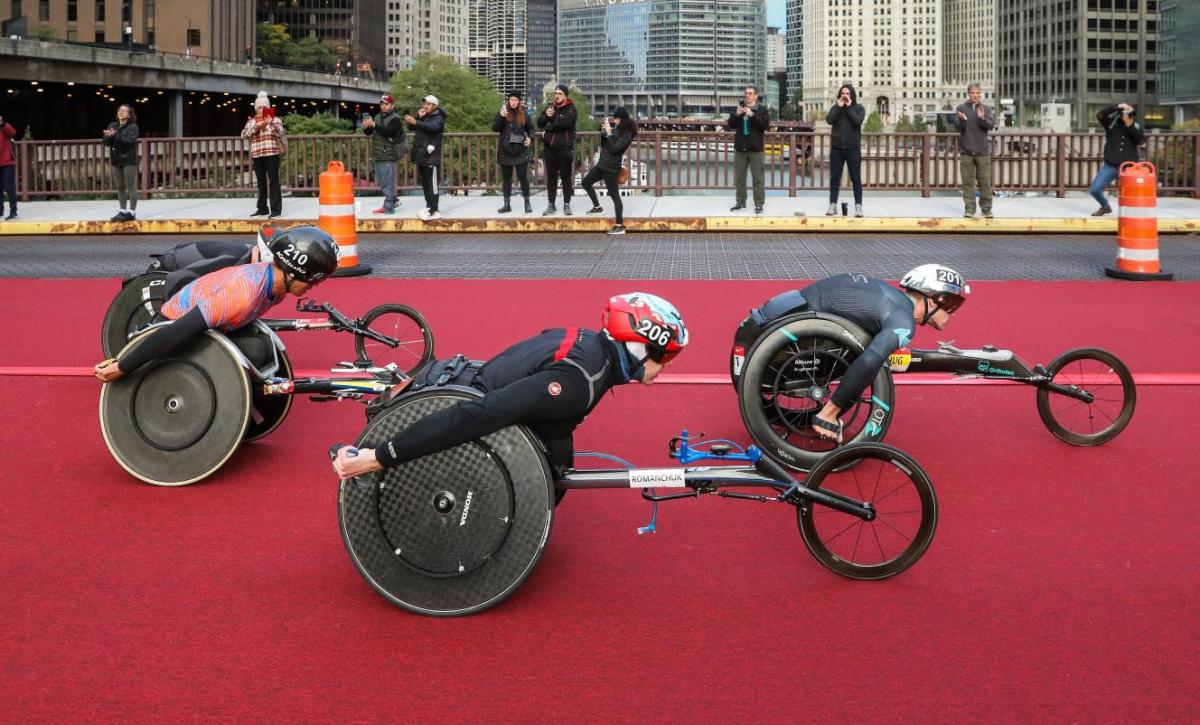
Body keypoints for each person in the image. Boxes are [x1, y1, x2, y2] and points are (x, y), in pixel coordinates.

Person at [331, 292, 689, 480]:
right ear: (639, 346)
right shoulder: (581, 381)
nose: (664, 368)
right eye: (665, 357)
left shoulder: (586, 341)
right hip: (457, 406)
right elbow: (479, 414)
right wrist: (378, 457)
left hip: (465, 377)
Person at [744, 265, 969, 443]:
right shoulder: (903, 319)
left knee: (870, 348)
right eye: (951, 305)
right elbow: (871, 360)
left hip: (767, 325)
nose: (952, 313)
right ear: (935, 298)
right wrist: (830, 412)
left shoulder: (888, 296)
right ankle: (825, 414)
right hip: (789, 351)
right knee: (873, 357)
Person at [94, 226, 338, 383]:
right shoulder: (240, 295)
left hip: (213, 327)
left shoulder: (277, 288)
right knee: (252, 351)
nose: (313, 287)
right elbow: (177, 331)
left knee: (259, 350)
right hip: (172, 327)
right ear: (294, 271)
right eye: (312, 281)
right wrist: (123, 366)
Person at [582, 107, 636, 235]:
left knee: (615, 196)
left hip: (611, 168)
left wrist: (610, 133)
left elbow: (615, 149)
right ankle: (597, 207)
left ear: (621, 119)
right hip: (602, 164)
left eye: (616, 118)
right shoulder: (618, 130)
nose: (614, 120)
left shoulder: (627, 134)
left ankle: (619, 224)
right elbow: (606, 145)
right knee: (585, 182)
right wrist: (604, 134)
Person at [1089, 102, 1146, 217]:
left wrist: (1129, 125)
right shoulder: (1111, 123)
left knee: (1132, 193)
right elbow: (1100, 115)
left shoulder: (1137, 126)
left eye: (1129, 113)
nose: (1127, 114)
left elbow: (1140, 140)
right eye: (1125, 112)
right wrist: (1117, 106)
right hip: (1110, 165)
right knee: (1095, 189)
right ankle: (1105, 207)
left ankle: (1132, 214)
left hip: (1128, 168)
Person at [241, 91, 287, 219]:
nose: (262, 110)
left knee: (274, 181)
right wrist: (257, 126)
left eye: (264, 107)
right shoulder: (252, 122)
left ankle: (276, 210)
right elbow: (244, 135)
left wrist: (270, 123)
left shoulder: (275, 120)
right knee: (261, 182)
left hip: (272, 153)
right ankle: (262, 208)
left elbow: (280, 133)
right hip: (257, 154)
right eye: (259, 107)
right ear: (256, 109)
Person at [954, 83, 996, 219]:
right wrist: (963, 121)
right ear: (969, 94)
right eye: (973, 93)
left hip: (982, 151)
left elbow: (990, 125)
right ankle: (970, 209)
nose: (975, 95)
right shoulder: (961, 108)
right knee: (967, 182)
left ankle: (986, 209)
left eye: (978, 93)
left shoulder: (986, 108)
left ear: (980, 94)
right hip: (966, 150)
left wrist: (982, 118)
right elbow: (957, 128)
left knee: (984, 181)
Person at [727, 85, 770, 214]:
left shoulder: (762, 110)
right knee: (740, 178)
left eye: (750, 93)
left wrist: (752, 115)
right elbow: (730, 125)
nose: (747, 95)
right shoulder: (739, 108)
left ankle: (759, 204)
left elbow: (764, 126)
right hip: (740, 148)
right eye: (746, 93)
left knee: (758, 178)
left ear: (756, 95)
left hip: (755, 149)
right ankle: (740, 202)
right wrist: (736, 114)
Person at [537, 83, 578, 216]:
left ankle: (567, 204)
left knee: (566, 177)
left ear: (565, 96)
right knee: (552, 177)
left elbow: (564, 124)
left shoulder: (571, 109)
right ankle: (551, 204)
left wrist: (547, 129)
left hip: (565, 148)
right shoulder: (551, 107)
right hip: (550, 148)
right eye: (555, 93)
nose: (557, 96)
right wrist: (546, 116)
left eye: (560, 94)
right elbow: (539, 123)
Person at [825, 84, 865, 217]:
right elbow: (829, 120)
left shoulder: (859, 108)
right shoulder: (836, 108)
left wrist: (848, 108)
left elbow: (857, 121)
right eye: (843, 93)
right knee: (835, 177)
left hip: (853, 149)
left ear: (852, 95)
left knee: (856, 178)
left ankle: (858, 206)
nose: (845, 95)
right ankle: (833, 204)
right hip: (837, 149)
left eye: (847, 93)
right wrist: (838, 107)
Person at [362, 94, 407, 215]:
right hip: (378, 153)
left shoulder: (396, 119)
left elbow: (389, 132)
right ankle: (393, 199)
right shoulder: (377, 117)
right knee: (381, 182)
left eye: (386, 104)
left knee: (387, 182)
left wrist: (374, 125)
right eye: (382, 103)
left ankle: (388, 207)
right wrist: (367, 127)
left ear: (392, 105)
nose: (383, 106)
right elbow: (370, 133)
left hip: (389, 153)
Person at [405, 95, 447, 221]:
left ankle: (434, 209)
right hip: (421, 155)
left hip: (432, 156)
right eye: (424, 104)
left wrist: (417, 121)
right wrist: (417, 118)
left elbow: (433, 128)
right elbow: (411, 128)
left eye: (428, 104)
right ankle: (429, 206)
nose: (425, 106)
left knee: (432, 184)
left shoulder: (439, 117)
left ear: (435, 106)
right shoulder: (425, 116)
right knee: (425, 183)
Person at [492, 91, 535, 214]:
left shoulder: (525, 114)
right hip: (505, 151)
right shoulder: (503, 112)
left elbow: (531, 129)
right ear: (508, 101)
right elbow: (495, 128)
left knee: (523, 177)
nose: (513, 102)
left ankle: (527, 202)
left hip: (520, 150)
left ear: (519, 101)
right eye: (511, 100)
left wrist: (530, 138)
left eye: (516, 100)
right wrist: (500, 116)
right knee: (506, 179)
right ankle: (507, 204)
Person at [102, 104, 140, 222]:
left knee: (131, 186)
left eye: (124, 111)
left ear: (129, 115)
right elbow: (107, 143)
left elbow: (130, 142)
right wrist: (107, 136)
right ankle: (122, 211)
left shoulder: (133, 127)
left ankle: (132, 212)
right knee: (120, 186)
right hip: (116, 159)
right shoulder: (113, 125)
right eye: (120, 110)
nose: (121, 112)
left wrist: (116, 135)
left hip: (129, 159)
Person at [0, 114, 16, 221]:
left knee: (9, 187)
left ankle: (13, 211)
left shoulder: (4, 127)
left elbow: (13, 133)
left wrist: (2, 124)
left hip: (6, 162)